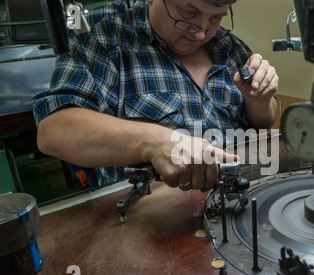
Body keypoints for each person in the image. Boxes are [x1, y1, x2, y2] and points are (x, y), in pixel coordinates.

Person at [32, 0, 278, 193]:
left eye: (215, 17)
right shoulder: (103, 34)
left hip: (236, 203)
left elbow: (263, 120)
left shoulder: (229, 46)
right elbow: (53, 131)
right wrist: (154, 142)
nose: (201, 33)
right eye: (188, 14)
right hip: (150, 225)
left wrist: (260, 99)